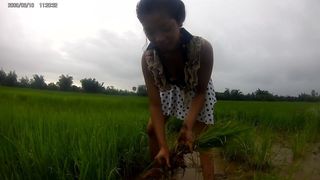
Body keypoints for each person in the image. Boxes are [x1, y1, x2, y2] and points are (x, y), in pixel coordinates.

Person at [136, 0, 217, 179]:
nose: (158, 38)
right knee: (152, 130)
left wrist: (187, 127)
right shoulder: (149, 59)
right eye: (149, 31)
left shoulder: (202, 49)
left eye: (165, 29)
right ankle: (159, 167)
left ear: (180, 21)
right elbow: (155, 105)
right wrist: (164, 145)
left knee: (203, 140)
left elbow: (201, 92)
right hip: (171, 89)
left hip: (197, 89)